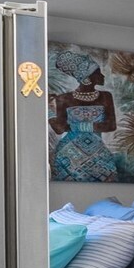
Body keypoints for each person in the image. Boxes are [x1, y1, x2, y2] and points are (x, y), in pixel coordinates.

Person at [47, 49, 120, 182]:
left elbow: (110, 125)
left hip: (98, 153)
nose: (102, 75)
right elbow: (59, 129)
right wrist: (48, 110)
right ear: (86, 78)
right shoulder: (64, 98)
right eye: (98, 72)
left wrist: (73, 126)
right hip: (68, 155)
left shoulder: (105, 96)